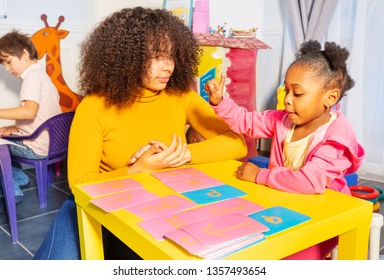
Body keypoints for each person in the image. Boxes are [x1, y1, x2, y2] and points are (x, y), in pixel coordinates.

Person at [33, 7, 247, 260]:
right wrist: (137, 170)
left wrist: (180, 155)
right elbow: (79, 183)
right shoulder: (94, 107)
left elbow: (237, 144)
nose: (168, 66)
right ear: (127, 58)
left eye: (171, 56)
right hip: (99, 202)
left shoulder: (182, 96)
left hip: (160, 203)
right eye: (156, 57)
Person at [205, 40, 365, 259]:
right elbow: (246, 121)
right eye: (286, 90)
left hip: (324, 217)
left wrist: (259, 175)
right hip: (283, 205)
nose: (287, 100)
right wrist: (221, 102)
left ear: (331, 97)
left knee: (285, 258)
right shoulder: (282, 119)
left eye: (297, 94)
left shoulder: (337, 134)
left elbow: (309, 182)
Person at [0, 30, 62, 213]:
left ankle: (11, 190)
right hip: (51, 144)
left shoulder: (31, 78)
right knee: (1, 134)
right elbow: (39, 117)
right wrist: (13, 127)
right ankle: (18, 177)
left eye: (8, 62)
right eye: (4, 65)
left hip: (36, 147)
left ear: (24, 54)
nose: (8, 69)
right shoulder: (42, 76)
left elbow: (29, 112)